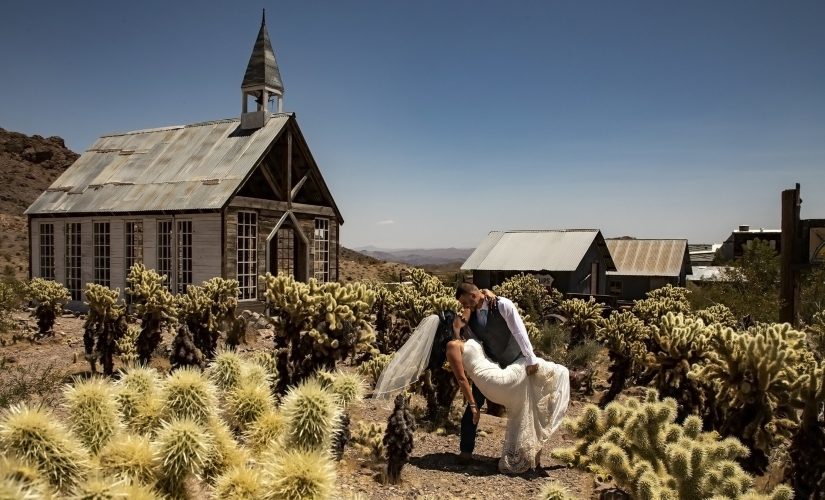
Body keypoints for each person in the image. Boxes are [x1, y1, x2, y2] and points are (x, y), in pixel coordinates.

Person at [373, 284, 570, 474]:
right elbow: (464, 350)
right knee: (473, 407)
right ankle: (466, 451)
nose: (463, 309)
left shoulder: (499, 305)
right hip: (491, 368)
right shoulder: (469, 321)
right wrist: (460, 326)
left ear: (474, 296)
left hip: (514, 361)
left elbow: (519, 331)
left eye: (465, 303)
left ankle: (531, 453)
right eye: (461, 306)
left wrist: (530, 358)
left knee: (532, 402)